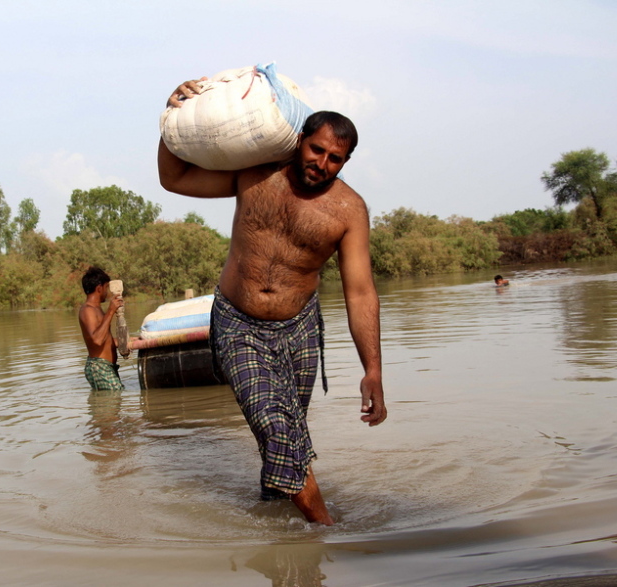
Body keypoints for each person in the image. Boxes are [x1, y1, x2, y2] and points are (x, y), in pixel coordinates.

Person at [158, 80, 387, 525]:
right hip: (236, 322)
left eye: (334, 158)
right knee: (278, 429)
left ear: (346, 162)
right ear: (299, 140)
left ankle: (280, 541)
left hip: (298, 328)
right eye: (316, 149)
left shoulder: (348, 210)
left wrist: (373, 369)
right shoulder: (256, 173)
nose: (321, 163)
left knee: (283, 434)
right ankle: (327, 531)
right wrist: (173, 116)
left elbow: (360, 292)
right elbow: (175, 177)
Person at [78, 266, 125, 391]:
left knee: (114, 404)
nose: (107, 292)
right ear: (99, 288)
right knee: (113, 400)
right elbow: (97, 340)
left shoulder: (97, 309)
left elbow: (105, 340)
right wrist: (110, 311)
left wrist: (130, 341)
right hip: (99, 367)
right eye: (106, 288)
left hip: (107, 367)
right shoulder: (87, 310)